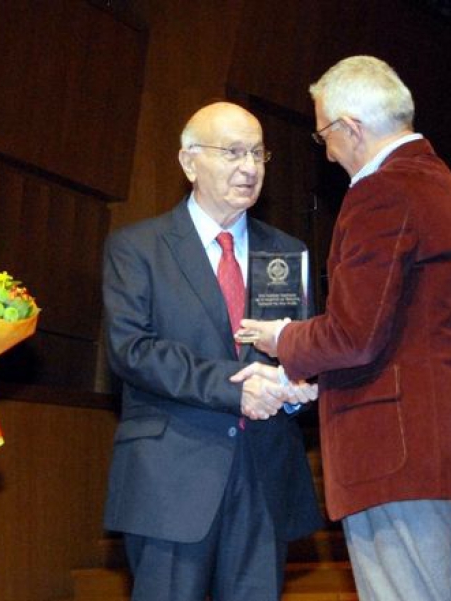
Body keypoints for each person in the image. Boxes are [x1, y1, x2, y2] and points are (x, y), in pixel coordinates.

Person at [233, 56, 451, 601]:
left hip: (395, 455)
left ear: (351, 128)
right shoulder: (448, 190)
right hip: (443, 451)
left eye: (324, 133)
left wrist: (284, 339)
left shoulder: (382, 191)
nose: (325, 150)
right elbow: (403, 335)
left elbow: (355, 335)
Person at [102, 101, 322, 601]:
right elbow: (132, 350)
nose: (250, 168)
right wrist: (236, 390)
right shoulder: (138, 248)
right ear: (188, 162)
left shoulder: (286, 254)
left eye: (259, 154)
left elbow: (302, 348)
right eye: (233, 153)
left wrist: (293, 386)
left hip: (264, 477)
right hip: (171, 477)